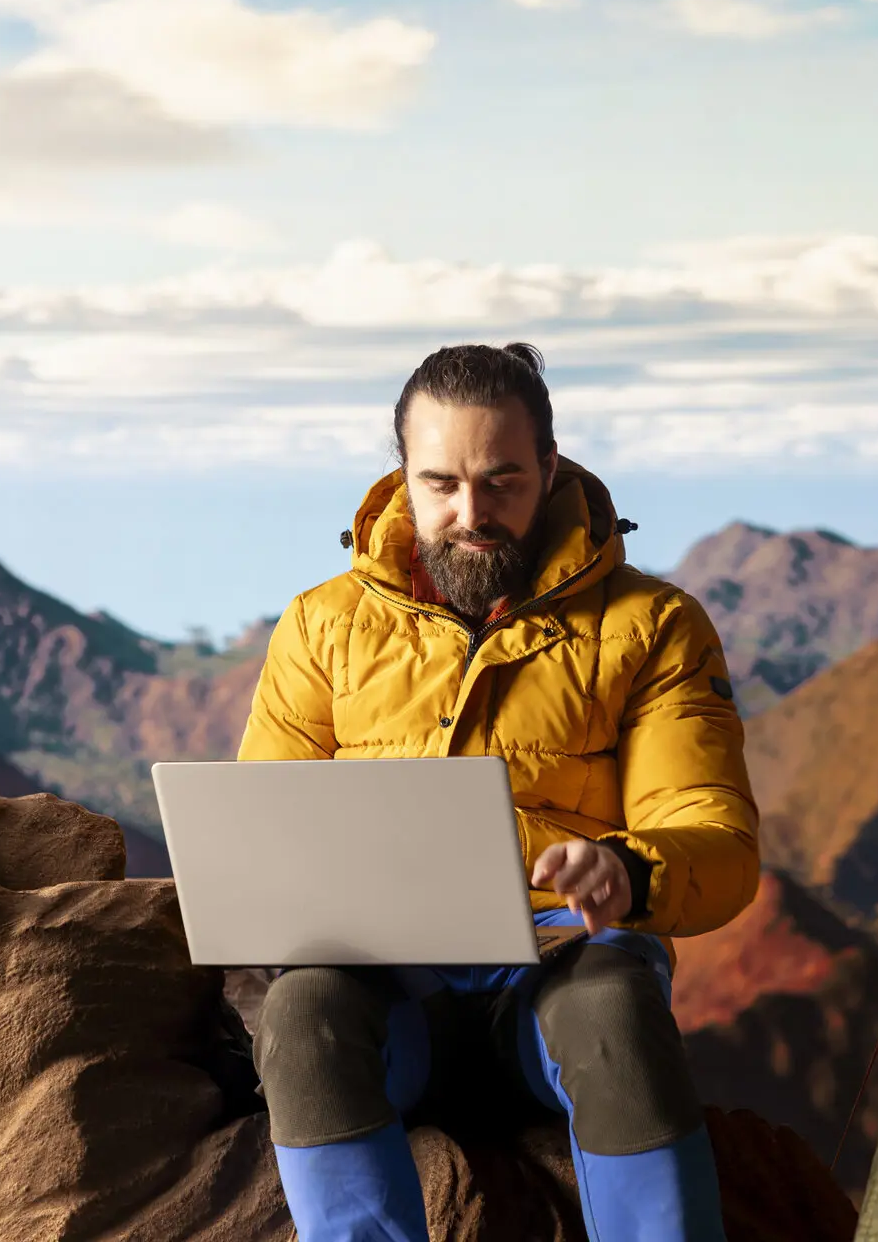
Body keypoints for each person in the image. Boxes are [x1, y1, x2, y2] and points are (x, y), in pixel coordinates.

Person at [238, 342, 760, 1242]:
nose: (470, 513)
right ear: (402, 476)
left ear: (551, 468)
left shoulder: (652, 628)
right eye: (440, 483)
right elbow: (263, 836)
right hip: (388, 987)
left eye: (502, 481)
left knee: (615, 1009)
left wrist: (629, 870)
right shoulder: (321, 627)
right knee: (303, 1010)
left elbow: (715, 833)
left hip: (563, 965)